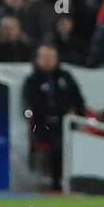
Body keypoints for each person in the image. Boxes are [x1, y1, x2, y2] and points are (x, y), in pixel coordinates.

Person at [22, 43, 87, 190]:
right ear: (37, 59)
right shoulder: (32, 81)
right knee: (56, 143)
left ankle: (73, 181)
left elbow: (78, 101)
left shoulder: (66, 77)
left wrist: (80, 118)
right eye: (44, 57)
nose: (48, 61)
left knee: (67, 139)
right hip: (43, 124)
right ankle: (56, 183)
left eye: (51, 57)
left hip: (66, 124)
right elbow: (30, 104)